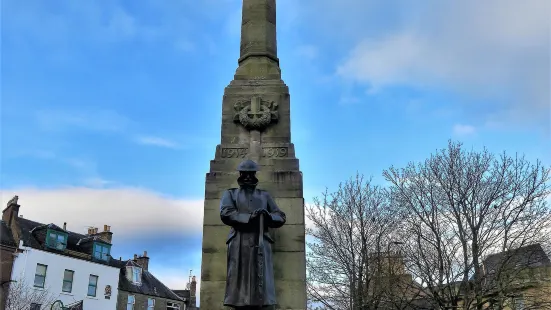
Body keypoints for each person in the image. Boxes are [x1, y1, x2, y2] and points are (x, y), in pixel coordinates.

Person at [220, 159, 286, 309]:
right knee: (239, 284)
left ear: (255, 174)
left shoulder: (264, 195)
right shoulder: (230, 194)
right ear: (240, 174)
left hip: (261, 240)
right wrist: (250, 217)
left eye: (251, 173)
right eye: (245, 173)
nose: (248, 177)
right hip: (239, 242)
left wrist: (267, 216)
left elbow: (280, 216)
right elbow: (226, 213)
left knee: (262, 282)